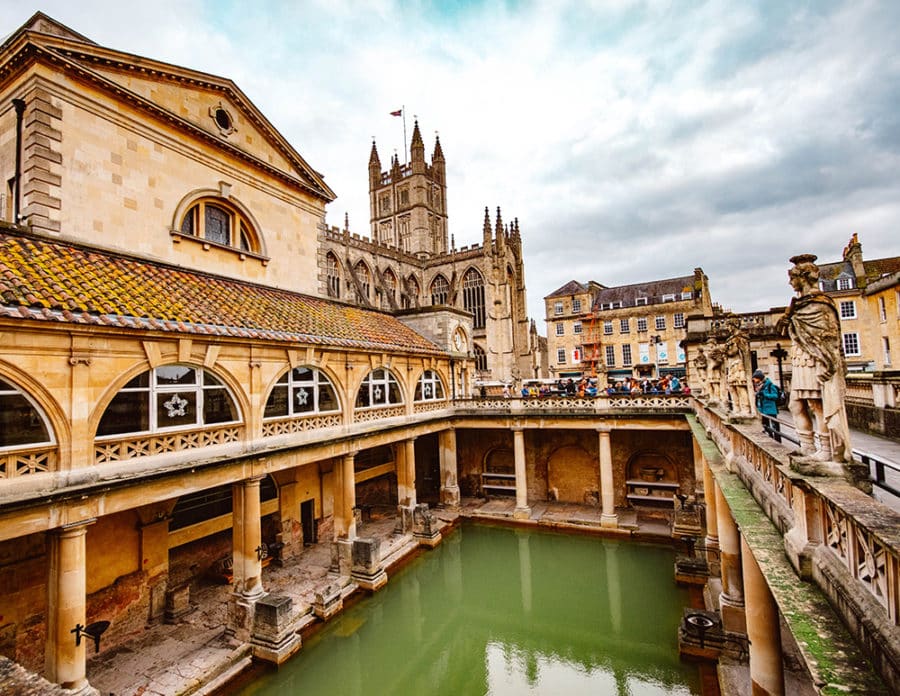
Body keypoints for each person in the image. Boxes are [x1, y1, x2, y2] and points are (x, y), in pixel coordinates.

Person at [777, 254, 851, 462]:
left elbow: (829, 337)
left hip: (815, 359)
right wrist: (787, 318)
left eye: (793, 277)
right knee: (796, 405)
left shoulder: (820, 304)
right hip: (800, 357)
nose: (790, 282)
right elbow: (783, 331)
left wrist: (826, 362)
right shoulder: (798, 305)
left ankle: (826, 450)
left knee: (817, 405)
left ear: (804, 277)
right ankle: (807, 447)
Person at [753, 369, 781, 442]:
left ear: (759, 378)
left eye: (755, 378)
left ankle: (777, 441)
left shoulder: (770, 385)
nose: (754, 380)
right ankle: (770, 439)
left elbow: (775, 396)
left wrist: (764, 394)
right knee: (766, 426)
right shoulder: (758, 386)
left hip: (771, 409)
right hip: (762, 409)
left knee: (775, 427)